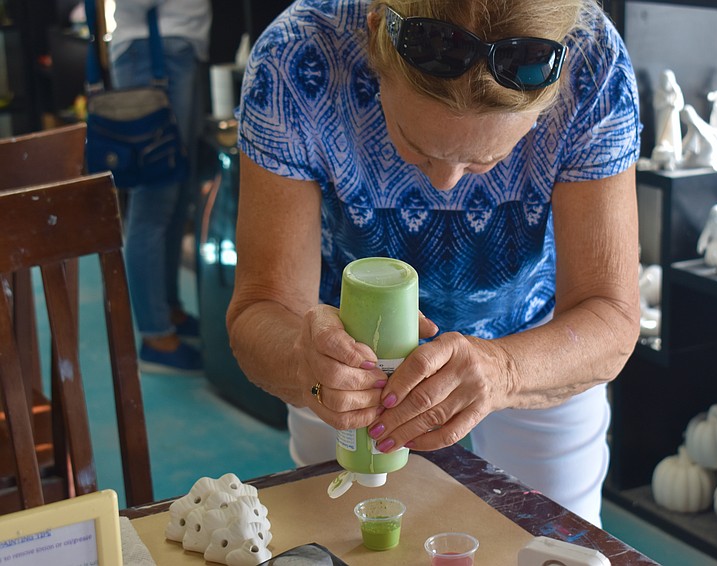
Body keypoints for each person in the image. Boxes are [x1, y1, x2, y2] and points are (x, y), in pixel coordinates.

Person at [228, 0, 641, 527]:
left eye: (486, 160)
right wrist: (302, 363)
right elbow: (260, 306)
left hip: (539, 348)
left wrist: (505, 371)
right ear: (375, 38)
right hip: (348, 365)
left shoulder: (592, 60)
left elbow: (610, 313)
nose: (444, 183)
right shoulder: (296, 57)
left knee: (554, 548)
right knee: (344, 542)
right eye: (415, 146)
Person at [109, 0, 211, 374]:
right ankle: (155, 335)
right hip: (153, 48)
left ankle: (168, 311)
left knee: (175, 195)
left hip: (173, 46)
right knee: (154, 198)